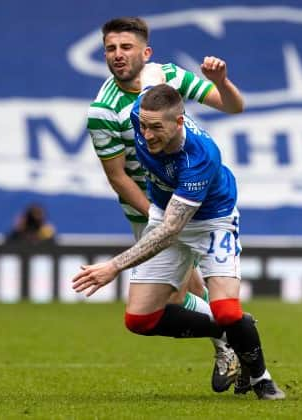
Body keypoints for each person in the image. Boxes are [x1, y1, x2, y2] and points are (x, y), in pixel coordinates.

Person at [74, 80, 285, 400]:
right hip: (165, 211)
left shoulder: (199, 158)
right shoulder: (141, 112)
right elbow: (150, 83)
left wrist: (113, 267)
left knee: (227, 309)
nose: (146, 135)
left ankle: (261, 379)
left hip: (212, 221)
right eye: (143, 126)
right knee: (140, 320)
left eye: (156, 128)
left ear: (179, 122)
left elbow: (171, 231)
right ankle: (227, 332)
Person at [87, 16, 244, 392]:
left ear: (146, 52)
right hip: (149, 207)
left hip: (191, 199)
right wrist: (156, 217)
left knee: (181, 294)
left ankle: (232, 338)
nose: (118, 55)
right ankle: (233, 334)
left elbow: (232, 107)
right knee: (181, 293)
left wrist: (220, 81)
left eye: (126, 47)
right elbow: (118, 176)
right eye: (110, 48)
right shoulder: (103, 111)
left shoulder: (169, 76)